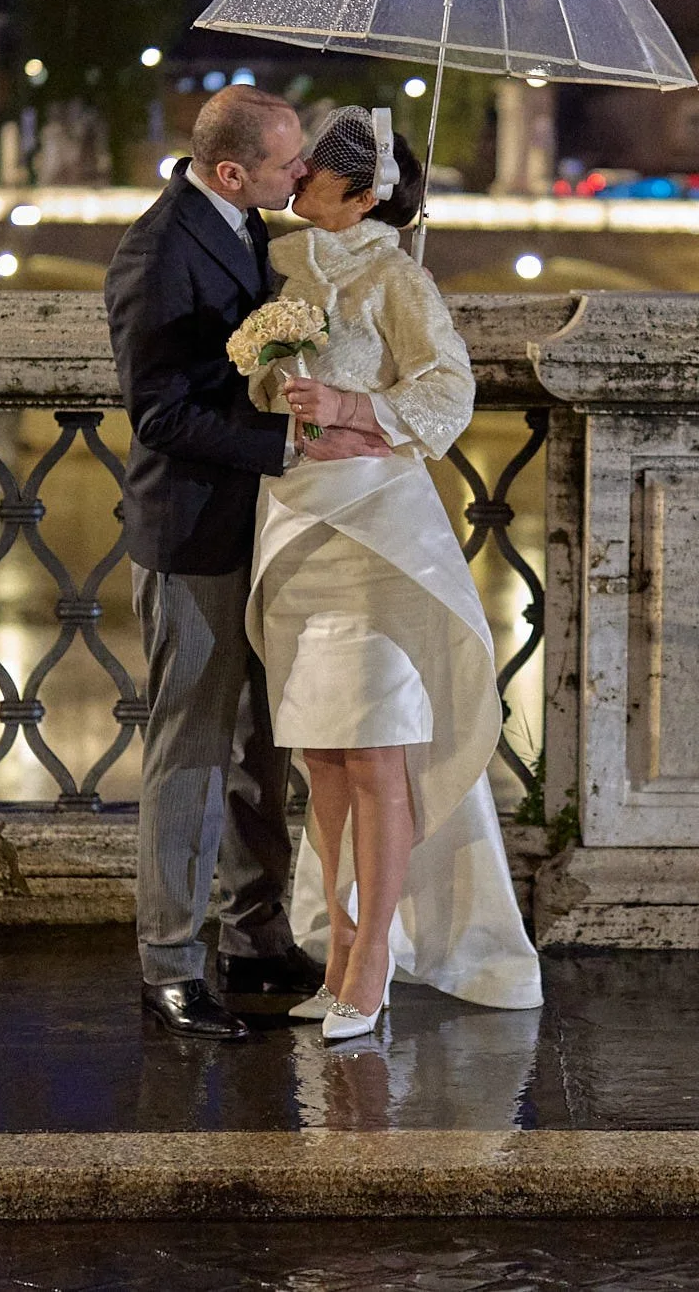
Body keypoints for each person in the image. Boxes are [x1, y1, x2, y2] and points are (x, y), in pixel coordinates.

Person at [246, 106, 544, 1042]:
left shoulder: (398, 276)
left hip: (378, 533)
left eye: (316, 172)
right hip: (298, 527)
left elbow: (451, 391)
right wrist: (279, 389)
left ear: (364, 193)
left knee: (375, 751)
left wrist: (352, 405)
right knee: (323, 754)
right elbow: (255, 379)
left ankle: (374, 958)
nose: (295, 180)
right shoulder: (278, 266)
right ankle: (336, 950)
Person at [104, 85, 391, 1041]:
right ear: (235, 173)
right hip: (192, 534)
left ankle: (256, 925)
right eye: (285, 165)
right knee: (190, 748)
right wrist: (281, 445)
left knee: (264, 740)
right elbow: (158, 414)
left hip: (267, 532)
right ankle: (172, 964)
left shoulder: (243, 230)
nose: (300, 173)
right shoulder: (156, 252)